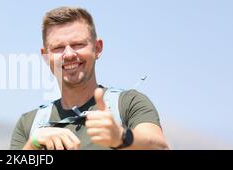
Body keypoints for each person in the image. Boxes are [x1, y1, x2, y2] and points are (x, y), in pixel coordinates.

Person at [10, 6, 169, 150]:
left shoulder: (129, 104)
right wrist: (33, 145)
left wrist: (121, 137)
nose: (69, 54)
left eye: (78, 44)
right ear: (46, 56)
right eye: (58, 48)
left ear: (97, 48)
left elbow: (160, 147)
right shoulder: (29, 124)